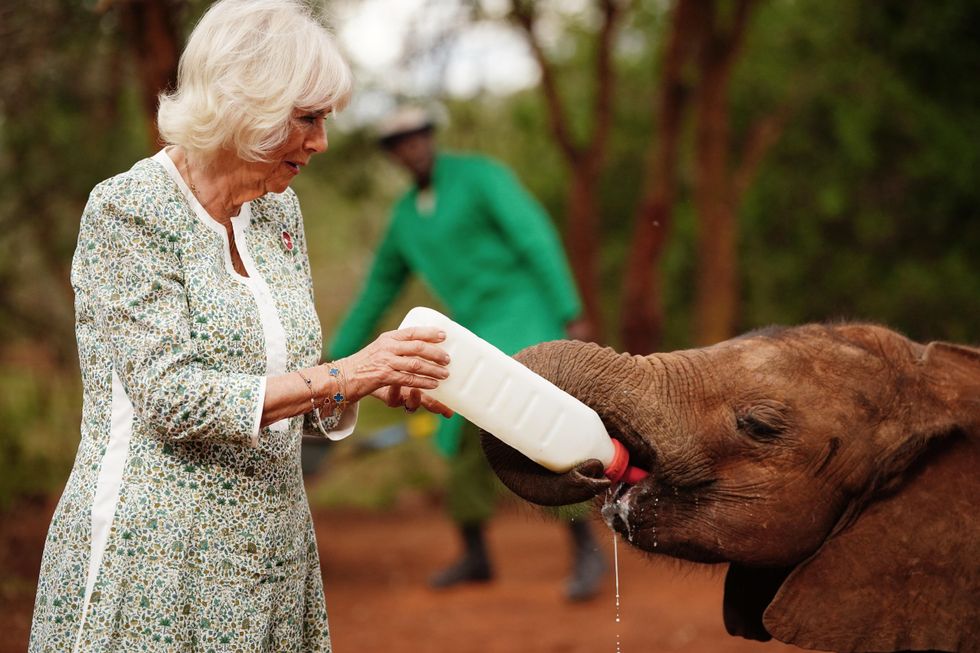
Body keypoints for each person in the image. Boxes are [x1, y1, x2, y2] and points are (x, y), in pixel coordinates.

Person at [28, 2, 453, 651]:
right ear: (247, 104)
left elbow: (283, 388)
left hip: (272, 556)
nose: (321, 141)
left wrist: (371, 382)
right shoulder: (129, 210)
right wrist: (346, 372)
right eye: (307, 118)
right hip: (157, 563)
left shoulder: (279, 214)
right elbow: (173, 398)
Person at [328, 107, 606, 602]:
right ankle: (476, 553)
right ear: (392, 155)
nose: (412, 147)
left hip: (521, 311)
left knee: (533, 424)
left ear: (431, 137)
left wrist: (570, 310)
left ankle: (585, 546)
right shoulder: (405, 220)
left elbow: (535, 237)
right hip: (471, 326)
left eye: (419, 136)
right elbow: (377, 291)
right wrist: (332, 363)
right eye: (400, 143)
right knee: (457, 430)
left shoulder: (481, 178)